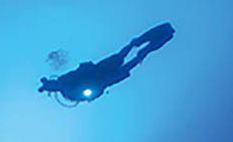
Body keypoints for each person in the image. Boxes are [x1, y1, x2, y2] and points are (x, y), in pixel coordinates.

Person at [38, 22, 175, 103]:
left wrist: (86, 67)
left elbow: (77, 71)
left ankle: (147, 38)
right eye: (51, 86)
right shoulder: (69, 95)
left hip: (98, 70)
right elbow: (89, 96)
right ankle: (152, 45)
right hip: (104, 80)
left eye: (51, 84)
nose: (55, 85)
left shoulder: (64, 80)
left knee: (123, 53)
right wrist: (95, 89)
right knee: (134, 61)